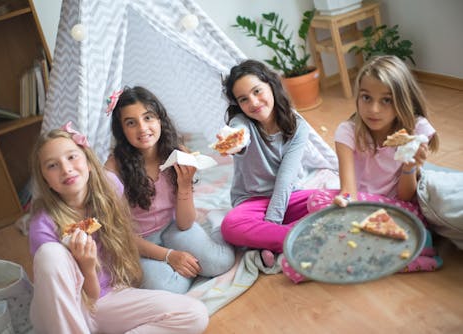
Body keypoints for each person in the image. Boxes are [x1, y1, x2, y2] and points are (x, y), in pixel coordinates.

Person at [28, 123, 209, 333]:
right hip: (67, 308)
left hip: (107, 298)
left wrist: (88, 268)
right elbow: (71, 296)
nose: (66, 169)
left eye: (72, 157)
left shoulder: (110, 186)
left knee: (195, 314)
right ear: (45, 180)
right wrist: (85, 266)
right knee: (50, 253)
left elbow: (96, 297)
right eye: (52, 165)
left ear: (88, 162)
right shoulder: (42, 225)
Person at [282, 55, 443, 284]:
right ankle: (398, 254)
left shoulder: (415, 130)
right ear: (357, 97)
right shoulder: (347, 132)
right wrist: (344, 202)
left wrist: (409, 165)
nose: (373, 109)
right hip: (359, 206)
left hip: (399, 210)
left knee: (416, 227)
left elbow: (407, 196)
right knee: (316, 200)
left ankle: (352, 256)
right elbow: (349, 190)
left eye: (386, 100)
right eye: (366, 98)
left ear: (402, 100)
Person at [105, 86, 235, 294]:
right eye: (131, 122)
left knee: (221, 262)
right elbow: (121, 236)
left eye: (148, 118)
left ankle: (217, 228)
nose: (142, 128)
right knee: (167, 288)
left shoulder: (177, 154)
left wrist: (184, 185)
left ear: (159, 120)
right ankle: (184, 264)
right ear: (122, 130)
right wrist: (170, 256)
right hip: (136, 244)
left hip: (173, 228)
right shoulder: (113, 171)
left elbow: (184, 223)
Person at [218, 59, 317, 267]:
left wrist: (271, 226)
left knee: (331, 199)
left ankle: (269, 238)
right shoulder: (242, 124)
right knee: (230, 226)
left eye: (257, 91)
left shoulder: (298, 126)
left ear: (271, 85)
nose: (253, 103)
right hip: (252, 201)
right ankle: (305, 238)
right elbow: (238, 133)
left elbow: (285, 180)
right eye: (243, 99)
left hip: (289, 195)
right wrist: (233, 139)